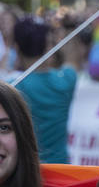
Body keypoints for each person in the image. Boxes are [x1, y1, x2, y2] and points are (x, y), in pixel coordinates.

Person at [11, 15, 77, 164]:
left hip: (27, 168)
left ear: (17, 47)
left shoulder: (11, 86)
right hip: (61, 169)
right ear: (48, 45)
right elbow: (72, 57)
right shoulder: (67, 79)